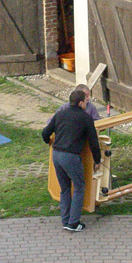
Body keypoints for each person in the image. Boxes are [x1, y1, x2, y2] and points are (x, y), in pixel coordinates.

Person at [42, 88, 101, 232]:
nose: (87, 103)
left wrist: (48, 141)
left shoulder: (60, 114)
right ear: (80, 103)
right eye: (86, 101)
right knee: (80, 186)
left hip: (56, 155)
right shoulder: (86, 118)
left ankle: (65, 219)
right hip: (71, 157)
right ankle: (73, 223)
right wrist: (97, 160)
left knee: (65, 188)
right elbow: (93, 142)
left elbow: (45, 132)